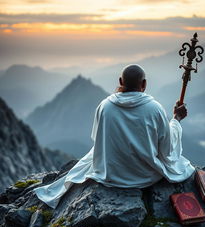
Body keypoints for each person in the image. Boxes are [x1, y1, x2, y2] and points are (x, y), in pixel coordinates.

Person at [33, 64, 195, 209]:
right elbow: (167, 149)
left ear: (120, 81)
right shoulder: (155, 109)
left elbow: (98, 140)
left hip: (109, 173)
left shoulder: (105, 106)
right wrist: (176, 120)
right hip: (145, 176)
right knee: (182, 165)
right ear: (144, 84)